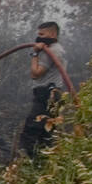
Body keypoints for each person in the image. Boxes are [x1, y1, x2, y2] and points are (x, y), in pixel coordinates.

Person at [19, 21, 67, 157]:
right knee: (46, 133)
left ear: (53, 34)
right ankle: (41, 165)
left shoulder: (51, 51)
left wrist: (34, 54)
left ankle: (25, 164)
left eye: (42, 34)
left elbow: (35, 73)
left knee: (31, 129)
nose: (38, 37)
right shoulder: (58, 49)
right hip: (54, 94)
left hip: (47, 94)